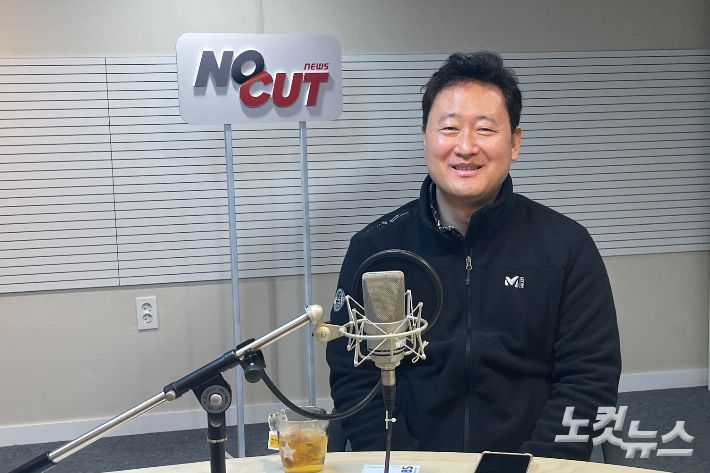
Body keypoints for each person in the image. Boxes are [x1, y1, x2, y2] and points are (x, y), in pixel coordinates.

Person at [325, 51, 621, 460]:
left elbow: (589, 378)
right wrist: (407, 464)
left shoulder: (566, 247)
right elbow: (354, 377)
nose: (465, 147)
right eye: (449, 128)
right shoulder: (377, 249)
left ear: (514, 142)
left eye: (485, 129)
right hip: (413, 464)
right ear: (425, 137)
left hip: (529, 465)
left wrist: (527, 466)